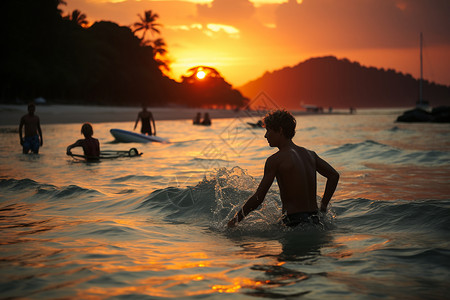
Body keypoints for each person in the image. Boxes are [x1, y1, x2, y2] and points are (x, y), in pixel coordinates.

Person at [228, 110, 339, 228]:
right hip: (315, 219)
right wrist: (323, 206)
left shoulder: (275, 160)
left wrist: (235, 220)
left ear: (280, 130)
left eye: (268, 130)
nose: (265, 135)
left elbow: (259, 198)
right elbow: (334, 176)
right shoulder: (310, 154)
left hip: (294, 222)